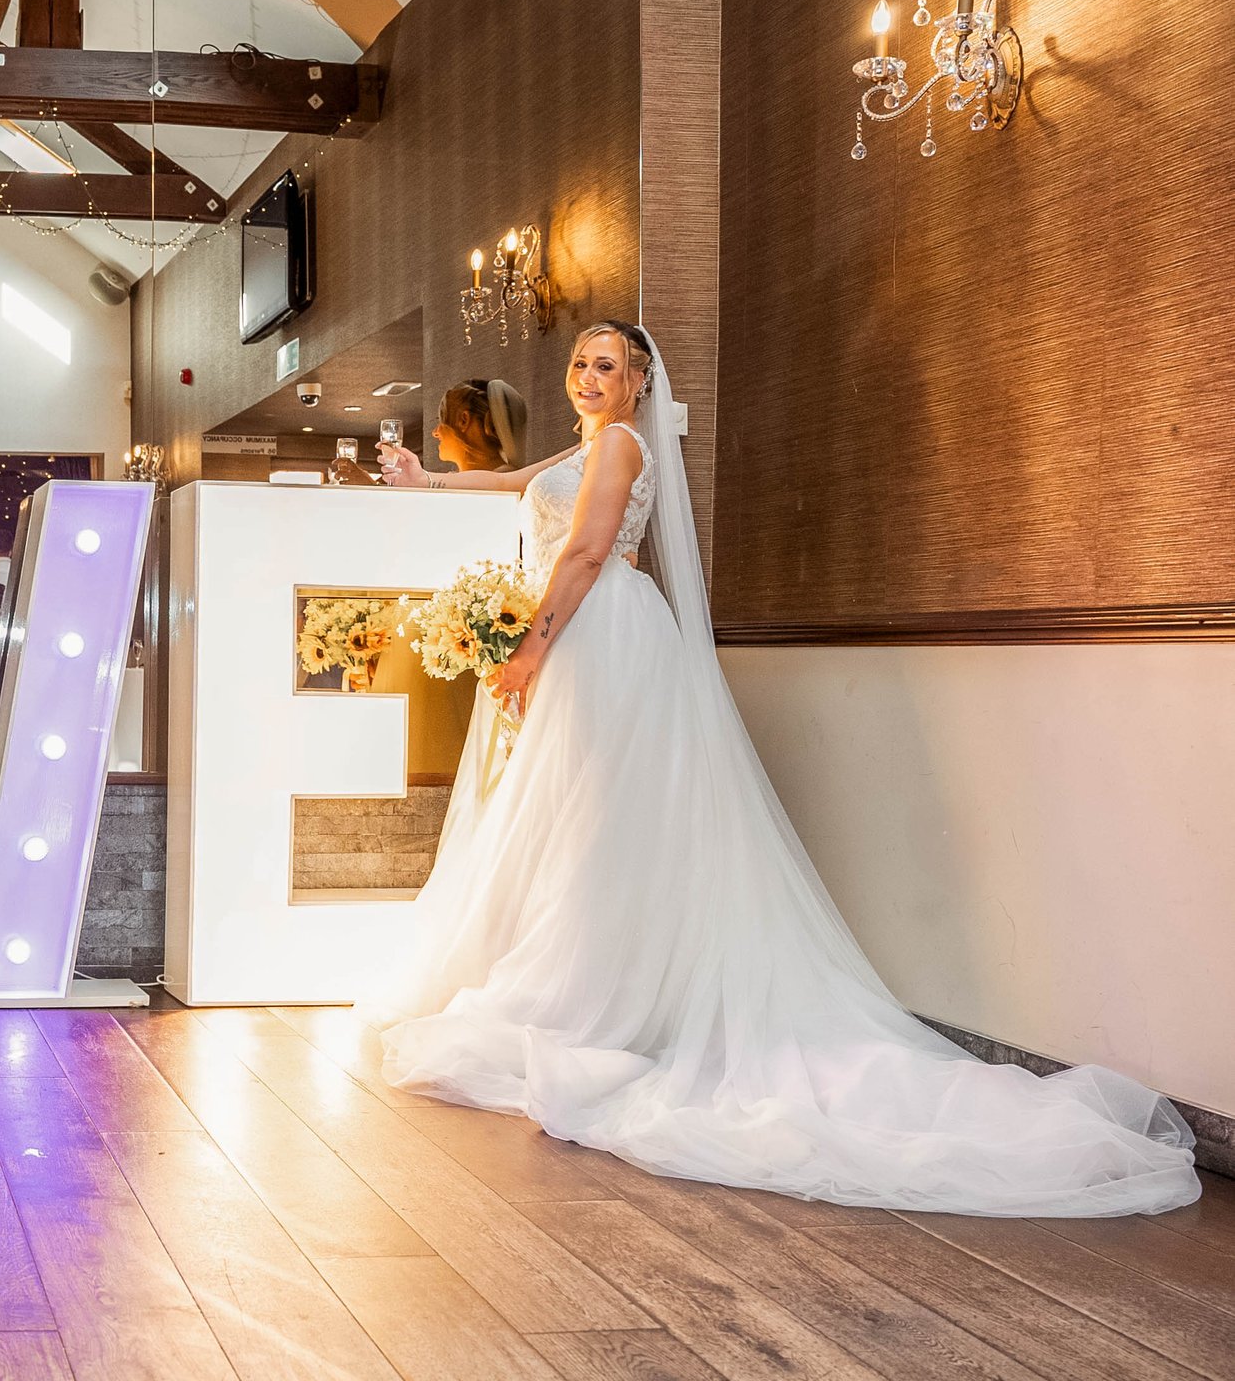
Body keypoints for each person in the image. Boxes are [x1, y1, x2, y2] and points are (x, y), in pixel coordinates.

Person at [360, 320, 1198, 1216]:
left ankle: (594, 999)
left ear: (639, 381)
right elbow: (517, 483)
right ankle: (596, 982)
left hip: (598, 637)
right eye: (579, 363)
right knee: (579, 821)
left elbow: (586, 553)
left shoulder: (624, 450)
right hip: (587, 639)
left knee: (598, 819)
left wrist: (530, 650)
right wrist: (430, 480)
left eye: (606, 365)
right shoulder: (587, 448)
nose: (587, 376)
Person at [329, 378, 525, 485]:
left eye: (441, 421)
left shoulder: (502, 481)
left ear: (463, 420)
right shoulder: (457, 479)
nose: (435, 432)